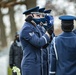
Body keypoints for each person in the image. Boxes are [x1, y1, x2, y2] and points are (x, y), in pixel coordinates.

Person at [19, 6, 53, 75]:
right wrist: (47, 34)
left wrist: (50, 35)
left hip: (37, 63)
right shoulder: (26, 28)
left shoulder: (35, 27)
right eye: (37, 15)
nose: (39, 17)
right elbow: (38, 43)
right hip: (30, 65)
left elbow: (43, 45)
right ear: (30, 16)